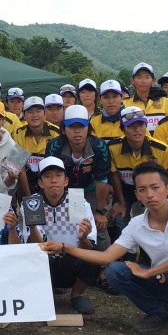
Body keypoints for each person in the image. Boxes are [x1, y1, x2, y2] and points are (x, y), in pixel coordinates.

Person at [42, 161, 168, 335]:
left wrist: (149, 272)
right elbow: (106, 257)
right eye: (143, 190)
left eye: (155, 187)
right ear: (137, 194)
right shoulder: (137, 224)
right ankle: (162, 313)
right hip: (164, 283)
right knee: (114, 270)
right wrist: (64, 247)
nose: (150, 195)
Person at [24, 157, 99, 314]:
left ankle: (77, 294)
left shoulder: (79, 203)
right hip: (47, 259)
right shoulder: (32, 204)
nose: (53, 180)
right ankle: (47, 293)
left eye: (58, 175)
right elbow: (35, 247)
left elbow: (90, 246)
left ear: (66, 181)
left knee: (92, 256)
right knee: (34, 256)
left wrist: (83, 238)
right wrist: (32, 229)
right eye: (47, 176)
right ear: (40, 183)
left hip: (72, 259)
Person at [45, 104, 112, 251]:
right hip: (63, 191)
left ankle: (105, 264)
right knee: (66, 225)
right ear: (63, 129)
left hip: (90, 189)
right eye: (71, 127)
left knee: (98, 226)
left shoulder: (99, 146)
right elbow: (50, 173)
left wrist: (100, 211)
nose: (77, 131)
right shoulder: (54, 145)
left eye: (81, 126)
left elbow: (102, 180)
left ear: (88, 128)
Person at [108, 107, 168, 242]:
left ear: (146, 126)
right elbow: (114, 175)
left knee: (153, 221)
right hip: (124, 190)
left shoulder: (161, 149)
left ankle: (148, 256)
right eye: (131, 126)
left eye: (140, 125)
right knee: (120, 221)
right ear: (122, 130)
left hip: (151, 189)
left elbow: (165, 175)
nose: (137, 130)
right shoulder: (112, 148)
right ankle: (125, 256)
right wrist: (120, 202)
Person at [14, 96, 60, 196]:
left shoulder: (56, 133)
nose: (34, 115)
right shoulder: (19, 134)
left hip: (52, 182)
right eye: (30, 111)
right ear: (24, 115)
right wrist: (28, 196)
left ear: (44, 114)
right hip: (27, 182)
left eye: (38, 111)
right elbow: (18, 167)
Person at [123, 62, 168, 133]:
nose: (143, 81)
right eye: (139, 77)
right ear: (132, 80)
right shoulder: (125, 104)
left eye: (147, 77)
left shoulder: (166, 102)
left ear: (153, 80)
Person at [89, 80, 124, 145]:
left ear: (122, 98)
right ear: (100, 100)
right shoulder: (94, 121)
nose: (111, 101)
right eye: (106, 97)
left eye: (115, 96)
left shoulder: (131, 117)